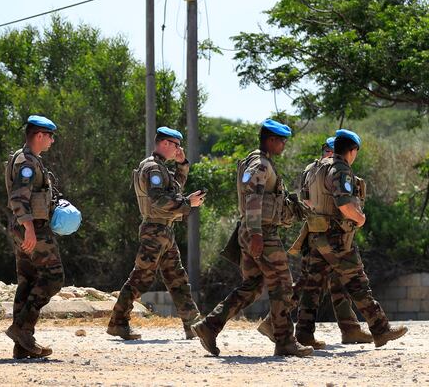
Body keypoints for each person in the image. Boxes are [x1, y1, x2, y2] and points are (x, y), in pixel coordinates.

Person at [192, 119, 312, 357]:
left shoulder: (257, 162)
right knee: (282, 285)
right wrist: (257, 234)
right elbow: (253, 199)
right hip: (261, 233)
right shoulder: (260, 164)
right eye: (281, 141)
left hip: (251, 231)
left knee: (253, 286)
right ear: (270, 140)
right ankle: (286, 341)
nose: (284, 145)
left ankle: (209, 326)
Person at [296, 129, 408, 347]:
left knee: (312, 285)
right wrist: (360, 219)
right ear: (352, 150)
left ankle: (303, 333)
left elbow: (308, 202)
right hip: (337, 238)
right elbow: (345, 204)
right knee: (357, 282)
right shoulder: (340, 170)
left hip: (316, 235)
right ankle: (381, 328)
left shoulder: (317, 168)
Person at [257, 136, 373, 346]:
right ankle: (273, 322)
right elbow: (310, 201)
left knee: (337, 283)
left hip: (323, 233)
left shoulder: (318, 171)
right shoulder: (322, 171)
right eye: (328, 150)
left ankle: (350, 329)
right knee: (308, 284)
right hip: (322, 235)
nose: (331, 154)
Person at [107, 127, 205, 340]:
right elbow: (159, 201)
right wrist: (188, 203)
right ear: (165, 143)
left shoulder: (159, 167)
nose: (178, 149)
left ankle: (194, 324)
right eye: (176, 145)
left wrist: (182, 165)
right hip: (155, 231)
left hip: (164, 231)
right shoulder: (153, 168)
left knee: (177, 278)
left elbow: (173, 191)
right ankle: (118, 322)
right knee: (141, 277)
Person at [4, 115, 64, 359]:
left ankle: (22, 345)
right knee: (54, 277)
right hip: (32, 228)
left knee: (28, 280)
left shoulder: (28, 159)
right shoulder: (27, 162)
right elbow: (19, 197)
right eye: (50, 136)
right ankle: (21, 328)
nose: (52, 141)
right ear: (39, 136)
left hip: (25, 226)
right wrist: (29, 228)